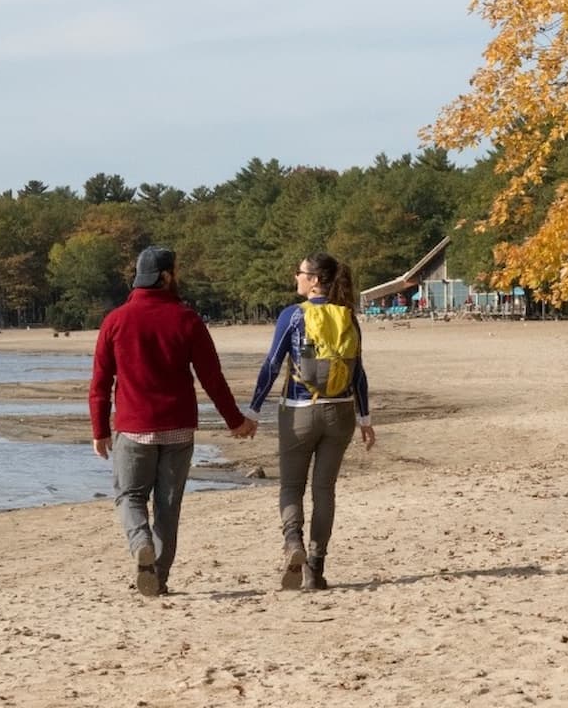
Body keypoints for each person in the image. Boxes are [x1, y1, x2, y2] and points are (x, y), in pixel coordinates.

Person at [90, 245, 257, 597]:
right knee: (168, 506)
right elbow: (212, 377)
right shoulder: (187, 319)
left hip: (134, 429)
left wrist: (99, 430)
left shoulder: (115, 321)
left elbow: (101, 383)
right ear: (165, 277)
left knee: (130, 496)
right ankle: (158, 579)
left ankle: (140, 546)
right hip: (179, 428)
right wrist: (235, 421)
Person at [249, 252, 375, 590]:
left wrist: (252, 410)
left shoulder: (293, 316)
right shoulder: (348, 316)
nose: (296, 278)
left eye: (300, 273)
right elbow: (358, 373)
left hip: (299, 411)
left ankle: (294, 544)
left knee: (291, 486)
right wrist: (365, 418)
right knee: (324, 491)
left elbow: (273, 364)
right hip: (342, 413)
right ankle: (315, 569)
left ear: (315, 280)